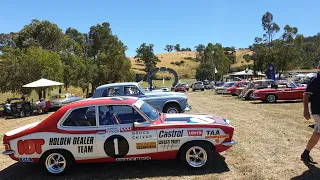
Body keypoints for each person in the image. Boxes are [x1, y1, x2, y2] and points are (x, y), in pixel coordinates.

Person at [301, 62, 320, 164]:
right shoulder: (315, 79)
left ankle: (306, 153)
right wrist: (306, 110)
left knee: (317, 133)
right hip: (317, 111)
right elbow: (306, 95)